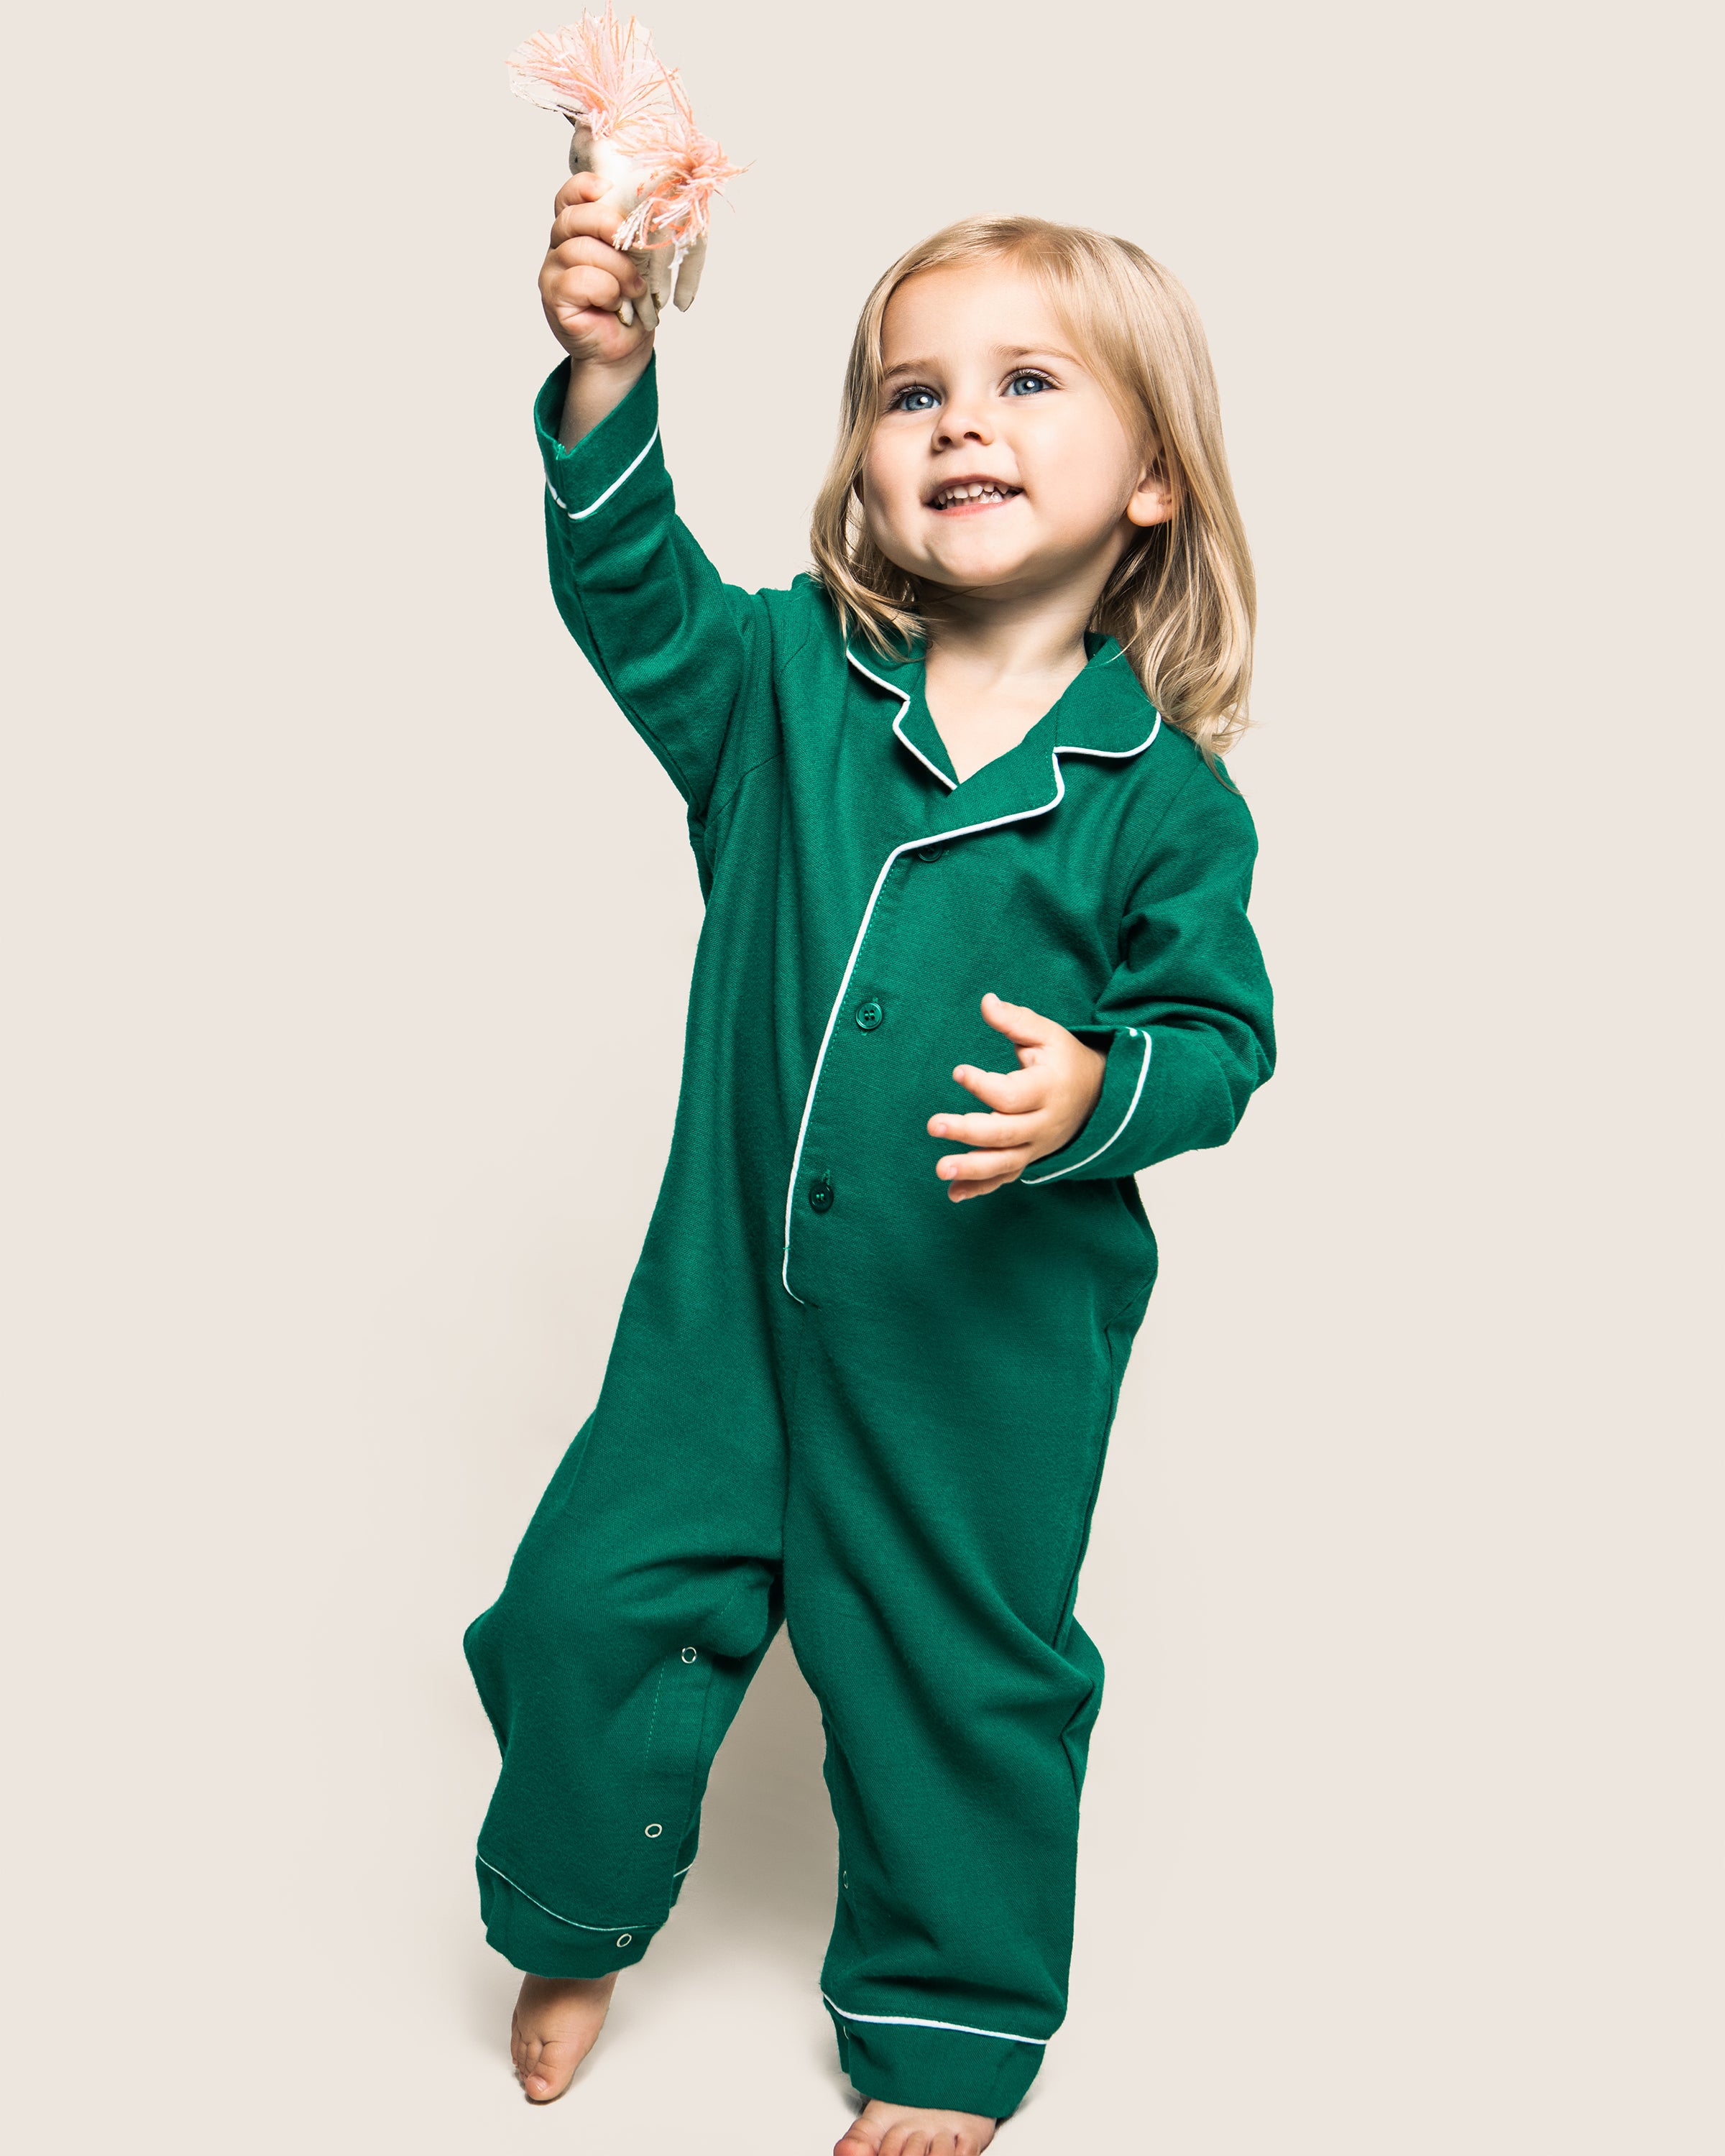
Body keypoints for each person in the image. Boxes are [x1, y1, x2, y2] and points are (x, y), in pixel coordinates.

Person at [463, 171, 1276, 2156]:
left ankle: (946, 2026)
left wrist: (1102, 1095)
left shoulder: (1158, 805)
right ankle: (578, 1907)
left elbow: (1226, 1042)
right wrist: (607, 374)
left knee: (955, 1680)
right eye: (911, 396)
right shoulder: (784, 693)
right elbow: (628, 588)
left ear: (1154, 483)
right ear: (866, 462)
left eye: (1026, 382)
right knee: (583, 1610)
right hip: (723, 1310)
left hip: (976, 1357)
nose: (961, 423)